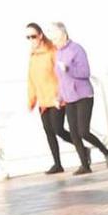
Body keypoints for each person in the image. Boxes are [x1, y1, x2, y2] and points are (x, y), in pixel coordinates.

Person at [47, 22, 108, 175]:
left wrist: (69, 69)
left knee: (83, 131)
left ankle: (106, 151)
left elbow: (85, 73)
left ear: (63, 35)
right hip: (69, 98)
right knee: (74, 133)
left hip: (83, 95)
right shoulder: (58, 53)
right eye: (53, 40)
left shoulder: (76, 49)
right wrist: (58, 97)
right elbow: (61, 79)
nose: (54, 42)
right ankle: (85, 165)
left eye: (56, 38)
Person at [26, 22, 72, 174]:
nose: (31, 40)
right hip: (43, 101)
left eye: (33, 36)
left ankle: (83, 149)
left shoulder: (52, 51)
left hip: (56, 98)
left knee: (58, 129)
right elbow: (31, 79)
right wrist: (31, 99)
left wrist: (61, 94)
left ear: (40, 35)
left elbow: (61, 74)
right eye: (28, 37)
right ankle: (57, 164)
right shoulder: (32, 56)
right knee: (49, 132)